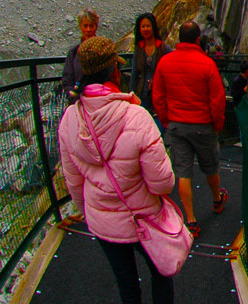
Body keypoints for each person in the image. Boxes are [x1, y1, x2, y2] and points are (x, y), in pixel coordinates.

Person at [58, 36, 176, 304]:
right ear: (115, 70)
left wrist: (87, 211)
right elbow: (162, 183)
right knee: (161, 272)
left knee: (127, 285)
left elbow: (73, 181)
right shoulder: (136, 115)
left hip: (102, 220)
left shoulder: (69, 119)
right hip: (143, 217)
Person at [152, 21, 227, 238]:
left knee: (183, 171)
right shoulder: (207, 64)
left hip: (176, 124)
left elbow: (158, 95)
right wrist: (217, 124)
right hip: (203, 125)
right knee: (210, 166)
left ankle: (191, 220)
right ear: (197, 39)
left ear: (178, 38)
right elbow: (217, 99)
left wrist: (167, 121)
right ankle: (216, 200)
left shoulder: (165, 63)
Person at [129, 13, 172, 132]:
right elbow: (134, 74)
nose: (145, 29)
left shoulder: (164, 49)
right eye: (143, 27)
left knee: (158, 129)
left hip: (160, 96)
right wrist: (131, 94)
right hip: (142, 95)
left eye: (148, 26)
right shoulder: (139, 49)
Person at [61, 8, 99, 101]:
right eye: (85, 26)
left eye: (91, 26)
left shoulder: (103, 49)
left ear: (96, 26)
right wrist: (70, 92)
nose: (88, 30)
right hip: (78, 99)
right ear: (80, 26)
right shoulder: (74, 52)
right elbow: (67, 77)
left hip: (98, 99)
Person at [224, 60, 248, 142]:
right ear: (247, 71)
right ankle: (245, 143)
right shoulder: (237, 81)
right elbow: (234, 95)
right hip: (241, 106)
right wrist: (244, 91)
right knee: (244, 126)